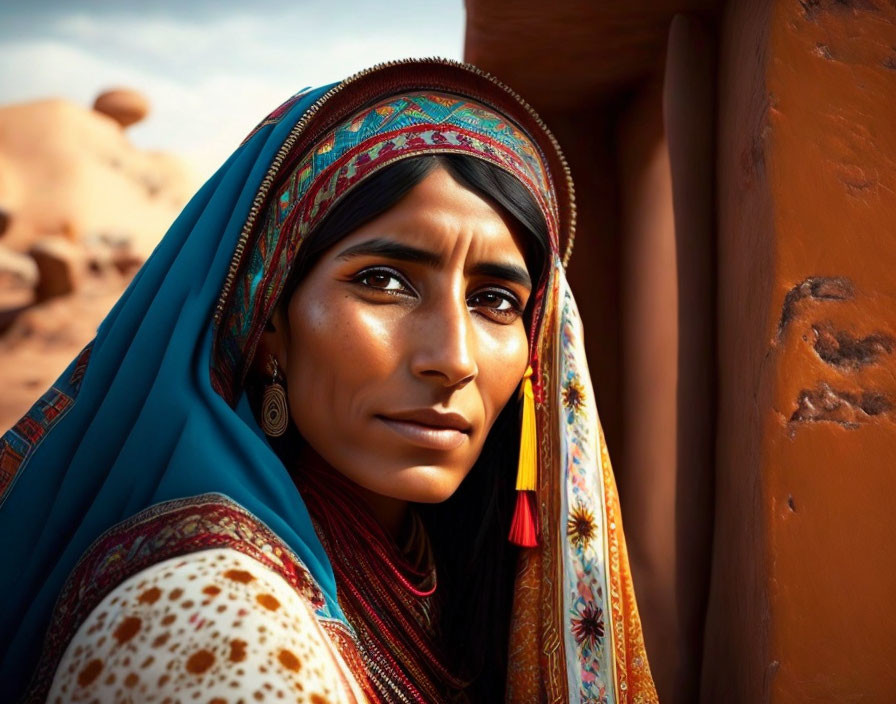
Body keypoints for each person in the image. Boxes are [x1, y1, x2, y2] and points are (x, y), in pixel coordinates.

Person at [0, 58, 656, 703]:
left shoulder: (446, 576)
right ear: (268, 326)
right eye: (384, 283)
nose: (454, 358)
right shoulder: (224, 631)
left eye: (496, 301)